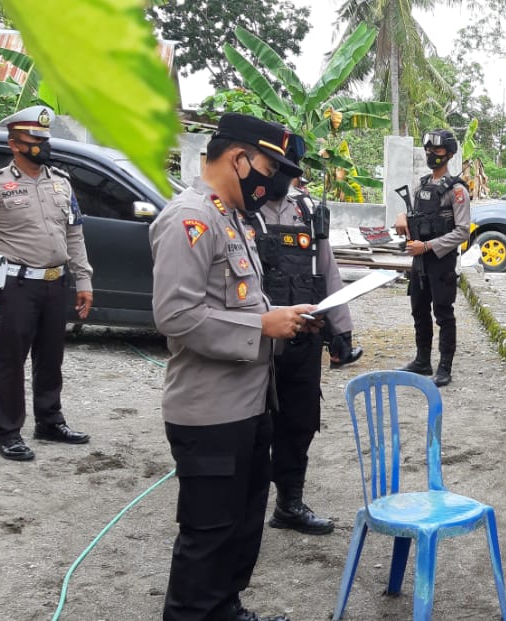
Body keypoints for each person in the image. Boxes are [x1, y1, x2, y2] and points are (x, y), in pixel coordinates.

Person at [150, 112, 316, 621]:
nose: (275, 180)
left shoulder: (232, 217)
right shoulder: (189, 219)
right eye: (270, 166)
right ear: (239, 158)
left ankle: (226, 609)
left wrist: (285, 319)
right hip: (210, 413)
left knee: (243, 526)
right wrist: (262, 327)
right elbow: (176, 316)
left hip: (249, 404)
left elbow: (244, 302)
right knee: (209, 534)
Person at [0, 105, 93, 461]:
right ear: (14, 144)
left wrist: (84, 280)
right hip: (17, 285)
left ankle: (49, 421)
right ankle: (7, 432)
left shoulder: (61, 183)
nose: (41, 145)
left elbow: (75, 235)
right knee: (11, 360)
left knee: (51, 357)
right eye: (33, 140)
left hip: (56, 283)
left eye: (44, 139)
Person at [251, 135, 360, 536]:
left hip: (303, 341)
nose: (282, 178)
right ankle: (246, 510)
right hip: (257, 343)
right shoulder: (242, 212)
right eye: (276, 168)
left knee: (299, 423)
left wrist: (341, 330)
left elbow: (328, 272)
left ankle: (289, 504)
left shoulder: (309, 212)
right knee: (254, 427)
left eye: (289, 171)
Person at [393, 129, 471, 387]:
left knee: (443, 313)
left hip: (441, 261)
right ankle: (422, 361)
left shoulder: (457, 190)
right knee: (419, 310)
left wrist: (426, 247)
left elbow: (462, 231)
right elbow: (414, 215)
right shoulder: (422, 185)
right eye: (428, 150)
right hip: (420, 261)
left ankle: (444, 367)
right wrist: (402, 217)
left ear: (448, 154)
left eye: (436, 151)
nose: (431, 154)